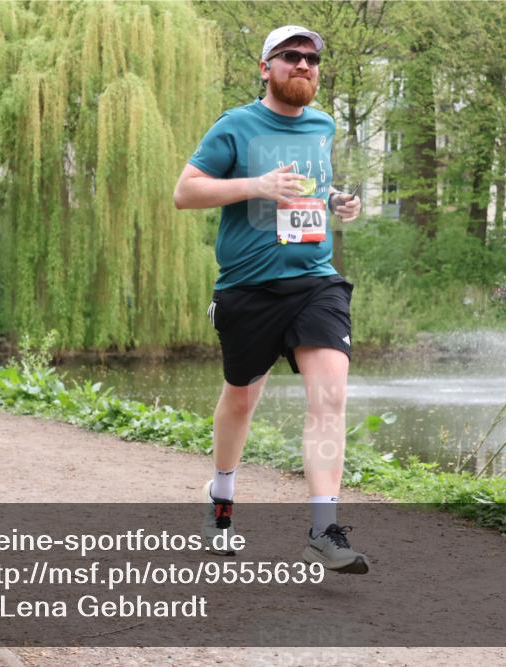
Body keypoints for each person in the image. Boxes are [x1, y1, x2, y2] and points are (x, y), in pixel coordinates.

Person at [173, 25, 367, 573]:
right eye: (291, 57)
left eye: (311, 59)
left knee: (329, 397)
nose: (303, 65)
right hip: (248, 289)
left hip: (315, 282)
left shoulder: (323, 125)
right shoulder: (236, 126)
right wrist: (255, 185)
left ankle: (324, 529)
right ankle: (222, 498)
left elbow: (306, 187)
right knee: (241, 398)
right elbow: (185, 192)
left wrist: (334, 200)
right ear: (266, 67)